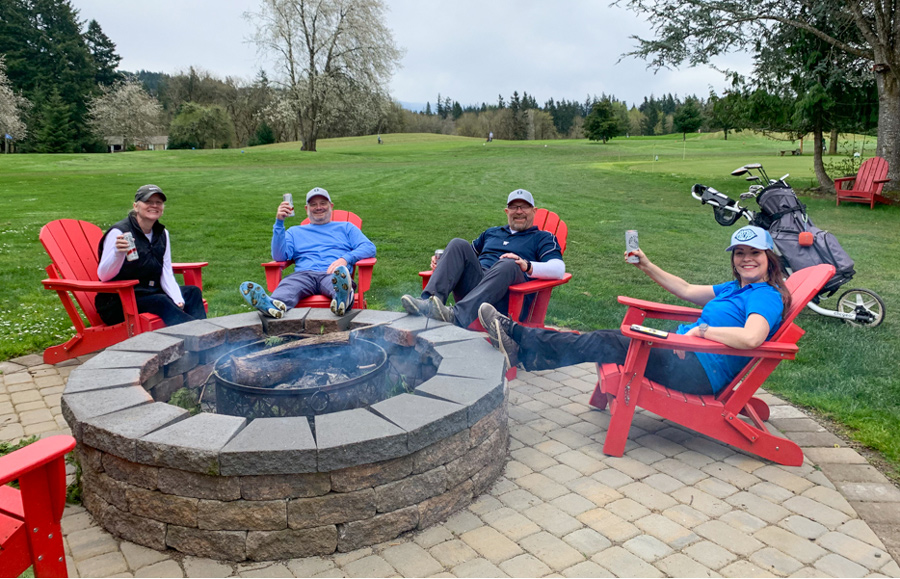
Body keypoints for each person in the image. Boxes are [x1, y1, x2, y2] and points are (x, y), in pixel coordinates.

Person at [478, 225, 791, 396]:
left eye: (755, 253)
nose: (746, 259)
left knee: (607, 342)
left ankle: (517, 335)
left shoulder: (765, 296)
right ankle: (523, 350)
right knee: (608, 338)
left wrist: (702, 331)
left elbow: (752, 338)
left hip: (698, 372)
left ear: (770, 258)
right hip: (680, 352)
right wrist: (646, 265)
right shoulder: (735, 288)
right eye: (740, 253)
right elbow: (685, 289)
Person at [401, 189, 565, 328]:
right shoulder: (492, 233)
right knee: (458, 244)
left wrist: (526, 265)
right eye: (514, 207)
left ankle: (456, 316)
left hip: (507, 298)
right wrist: (443, 261)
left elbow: (559, 269)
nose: (519, 211)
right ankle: (428, 303)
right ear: (507, 211)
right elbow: (463, 256)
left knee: (509, 263)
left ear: (534, 211)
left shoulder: (543, 237)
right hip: (477, 287)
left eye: (524, 207)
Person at [240, 187, 376, 318]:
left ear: (331, 206)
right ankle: (271, 306)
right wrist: (279, 222)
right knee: (289, 286)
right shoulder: (294, 232)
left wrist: (345, 259)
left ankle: (342, 298)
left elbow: (369, 247)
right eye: (313, 204)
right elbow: (279, 256)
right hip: (303, 275)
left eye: (323, 203)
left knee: (338, 285)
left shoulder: (346, 228)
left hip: (332, 274)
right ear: (306, 209)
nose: (318, 207)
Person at [96, 184, 206, 327]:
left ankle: (200, 336)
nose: (154, 206)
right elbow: (103, 276)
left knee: (192, 292)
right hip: (118, 302)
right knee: (161, 301)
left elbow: (166, 270)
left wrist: (177, 297)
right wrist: (117, 253)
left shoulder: (162, 233)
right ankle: (202, 334)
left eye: (158, 202)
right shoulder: (119, 233)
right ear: (136, 206)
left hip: (150, 293)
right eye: (148, 201)